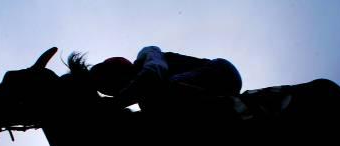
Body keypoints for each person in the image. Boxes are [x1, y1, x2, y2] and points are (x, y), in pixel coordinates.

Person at [89, 46, 242, 116]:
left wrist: (117, 103)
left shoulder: (147, 54)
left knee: (168, 86)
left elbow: (154, 73)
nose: (121, 87)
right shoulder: (146, 100)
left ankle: (224, 106)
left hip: (221, 71)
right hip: (215, 89)